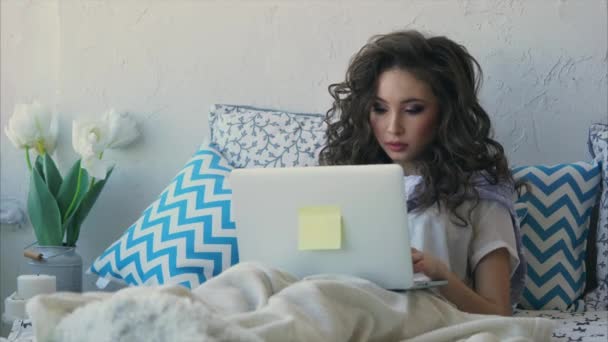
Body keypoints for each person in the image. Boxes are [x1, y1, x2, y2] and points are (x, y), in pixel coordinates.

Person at [319, 30, 525, 316]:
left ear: (445, 112)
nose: (393, 127)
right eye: (379, 108)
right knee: (252, 277)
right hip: (342, 311)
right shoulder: (346, 179)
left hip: (420, 320)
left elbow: (498, 314)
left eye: (413, 109)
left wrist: (437, 272)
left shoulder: (480, 193)